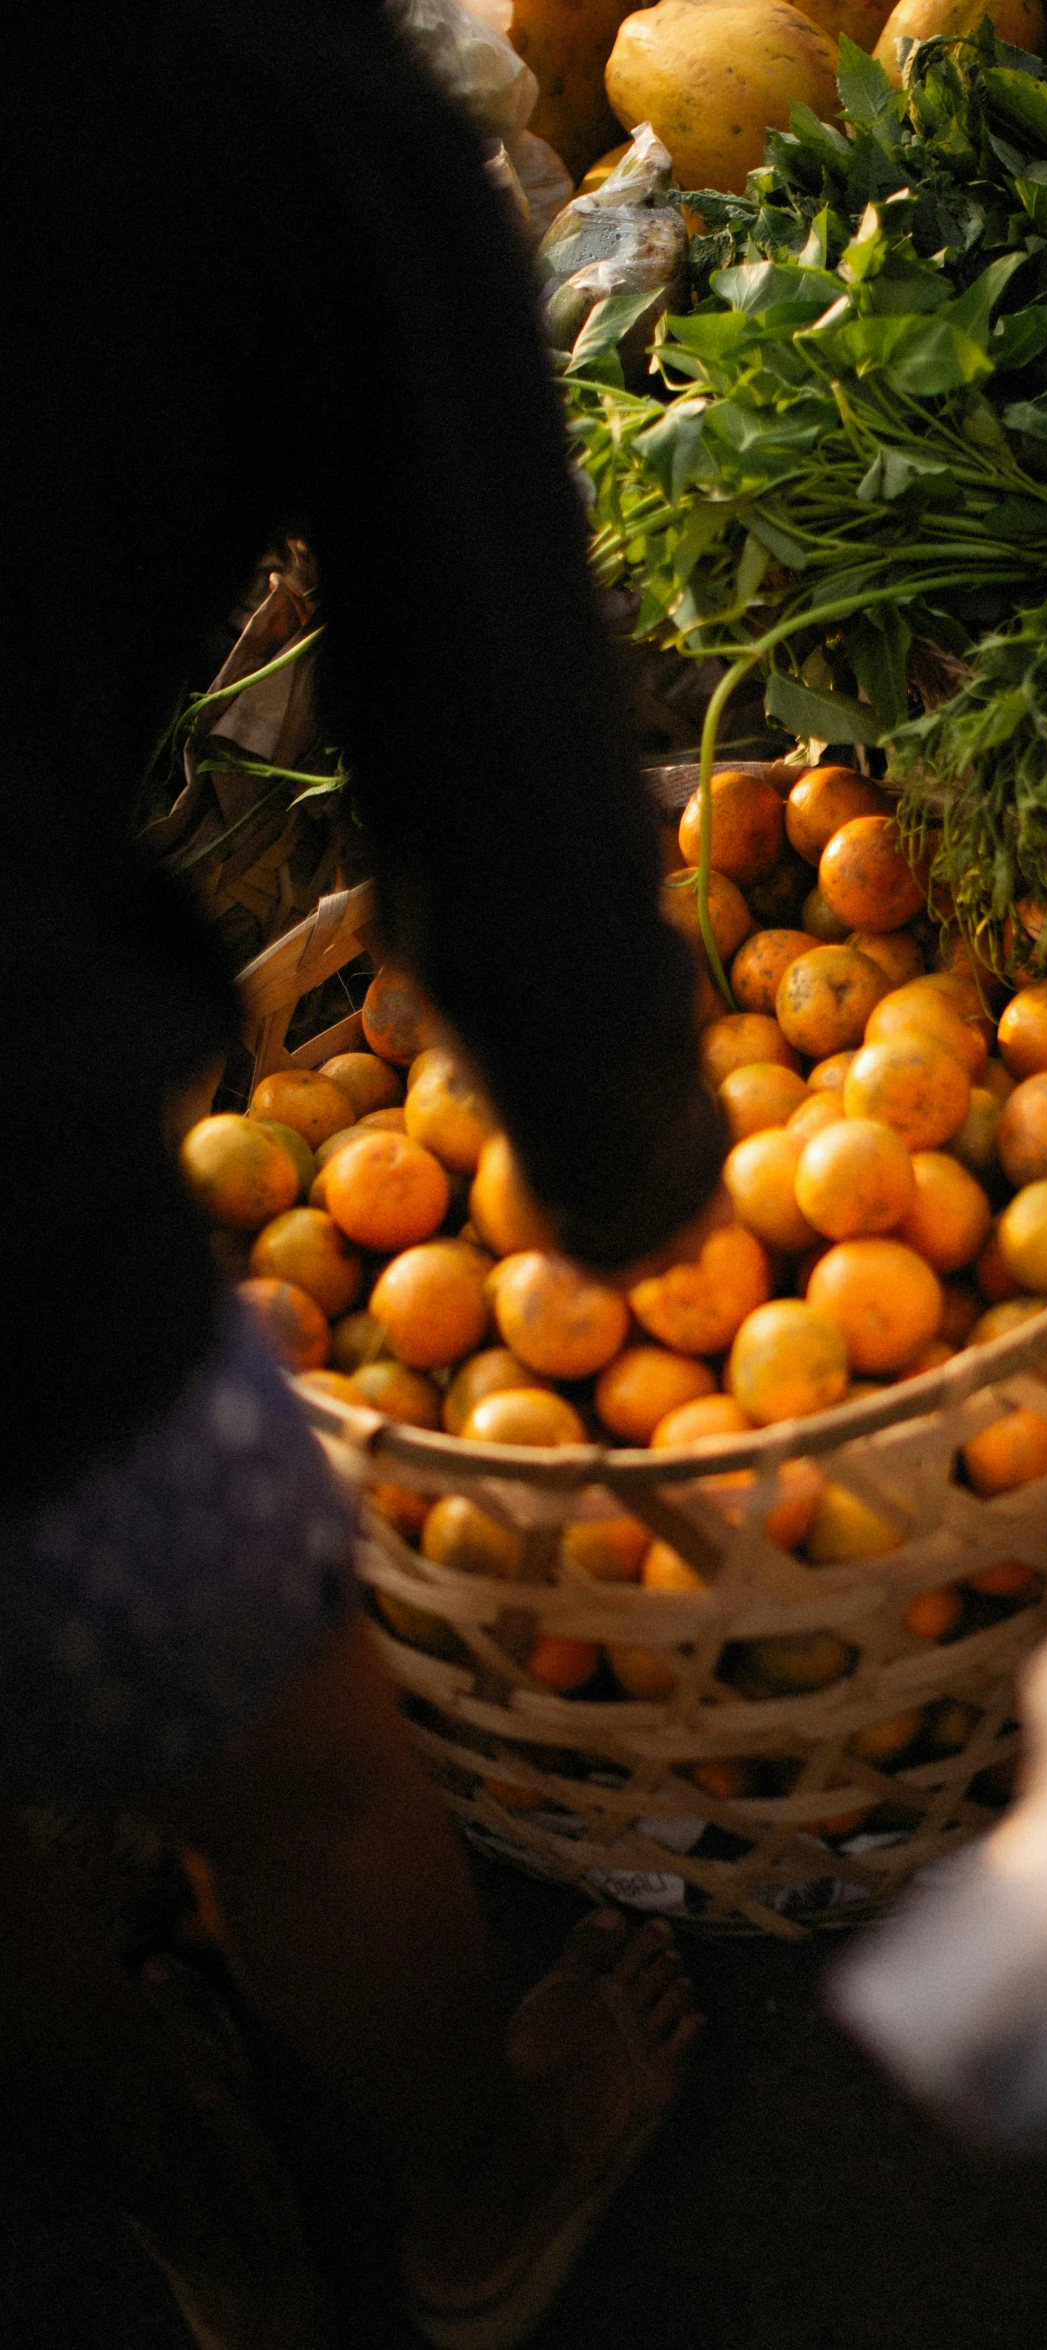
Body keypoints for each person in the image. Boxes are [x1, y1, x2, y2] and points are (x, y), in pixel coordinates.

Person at [0, 2, 725, 2342]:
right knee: (296, 1774)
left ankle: (206, 2237)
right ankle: (479, 2185)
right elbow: (506, 809)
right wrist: (629, 1182)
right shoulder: (259, 101)